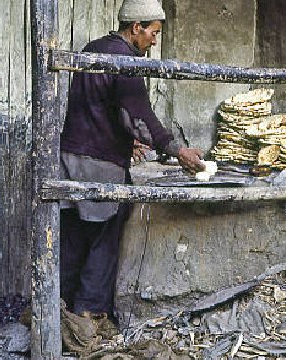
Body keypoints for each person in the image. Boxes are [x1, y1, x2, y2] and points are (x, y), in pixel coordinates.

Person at [59, 0, 204, 320]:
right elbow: (139, 115)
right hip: (98, 164)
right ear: (136, 28)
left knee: (71, 238)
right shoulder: (126, 62)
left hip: (70, 156)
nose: (155, 40)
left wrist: (126, 138)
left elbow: (100, 109)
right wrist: (176, 149)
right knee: (104, 239)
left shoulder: (93, 48)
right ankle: (89, 317)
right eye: (153, 33)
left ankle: (57, 309)